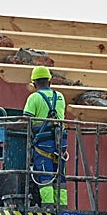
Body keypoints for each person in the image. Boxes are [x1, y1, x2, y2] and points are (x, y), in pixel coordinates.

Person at [22, 65, 68, 206]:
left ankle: (48, 208)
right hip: (60, 144)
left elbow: (26, 120)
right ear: (50, 82)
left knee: (45, 177)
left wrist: (9, 125)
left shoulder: (34, 98)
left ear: (34, 83)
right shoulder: (60, 97)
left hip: (43, 144)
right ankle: (62, 208)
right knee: (59, 177)